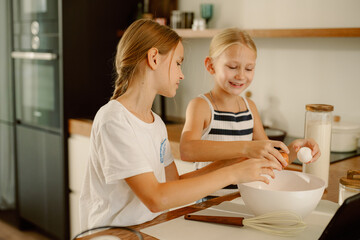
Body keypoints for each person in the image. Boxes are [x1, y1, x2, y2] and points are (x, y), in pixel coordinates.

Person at [79, 20, 282, 231]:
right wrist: (234, 174)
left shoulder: (156, 123)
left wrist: (233, 162)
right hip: (112, 235)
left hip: (148, 229)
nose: (182, 74)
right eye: (178, 63)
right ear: (154, 58)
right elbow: (156, 198)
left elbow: (173, 184)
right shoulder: (114, 119)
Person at [180, 28, 320, 195]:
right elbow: (187, 150)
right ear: (211, 66)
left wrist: (294, 149)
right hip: (208, 200)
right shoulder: (201, 106)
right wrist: (246, 148)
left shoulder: (250, 108)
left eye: (249, 69)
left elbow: (268, 158)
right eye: (232, 67)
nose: (241, 76)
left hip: (245, 198)